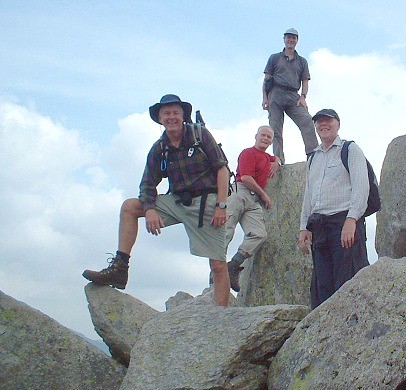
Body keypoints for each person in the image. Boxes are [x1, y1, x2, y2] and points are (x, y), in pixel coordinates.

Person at [83, 94, 231, 306]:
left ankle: (222, 316)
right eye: (166, 113)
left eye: (175, 113)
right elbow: (147, 184)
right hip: (178, 201)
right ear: (160, 118)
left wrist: (221, 205)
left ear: (183, 116)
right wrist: (150, 209)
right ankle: (120, 269)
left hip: (206, 202)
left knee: (217, 264)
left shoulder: (200, 135)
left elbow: (222, 168)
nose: (171, 117)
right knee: (130, 207)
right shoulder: (159, 148)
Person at [298, 109, 370, 309]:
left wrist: (352, 219)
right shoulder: (313, 158)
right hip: (320, 228)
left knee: (348, 282)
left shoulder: (350, 149)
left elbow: (361, 187)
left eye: (328, 120)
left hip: (344, 224)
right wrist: (304, 227)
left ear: (338, 124)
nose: (323, 124)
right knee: (323, 287)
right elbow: (309, 194)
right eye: (319, 121)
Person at [224, 125, 281, 292]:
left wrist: (276, 162)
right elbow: (247, 177)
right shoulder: (247, 153)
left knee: (259, 234)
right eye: (263, 135)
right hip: (240, 192)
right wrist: (264, 195)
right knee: (226, 231)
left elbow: (276, 158)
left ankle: (233, 265)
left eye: (269, 137)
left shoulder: (267, 157)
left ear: (271, 141)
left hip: (253, 199)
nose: (265, 138)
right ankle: (215, 275)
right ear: (256, 136)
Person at [262, 28, 319, 164]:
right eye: (288, 37)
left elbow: (305, 81)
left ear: (297, 41)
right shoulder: (275, 58)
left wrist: (303, 97)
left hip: (293, 94)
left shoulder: (302, 61)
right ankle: (278, 159)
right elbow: (267, 79)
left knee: (307, 121)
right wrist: (265, 97)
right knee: (275, 129)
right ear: (284, 39)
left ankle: (313, 155)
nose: (291, 40)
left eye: (293, 38)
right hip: (276, 92)